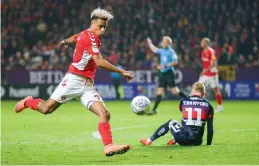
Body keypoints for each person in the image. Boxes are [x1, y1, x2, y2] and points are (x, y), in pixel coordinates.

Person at [13, 8, 133, 157]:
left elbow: (75, 37)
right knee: (46, 109)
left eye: (105, 27)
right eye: (100, 26)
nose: (102, 30)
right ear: (93, 23)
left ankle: (108, 146)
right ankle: (27, 102)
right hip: (73, 80)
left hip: (87, 85)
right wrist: (122, 72)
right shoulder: (91, 38)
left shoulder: (85, 34)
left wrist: (65, 41)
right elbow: (99, 62)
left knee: (105, 114)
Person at [140, 82, 214, 146]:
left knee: (171, 122)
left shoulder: (184, 101)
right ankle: (176, 140)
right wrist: (208, 144)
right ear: (204, 94)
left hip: (183, 138)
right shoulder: (209, 105)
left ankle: (149, 140)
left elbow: (183, 111)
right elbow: (210, 129)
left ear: (192, 91)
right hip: (198, 142)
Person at [147, 36, 185, 115]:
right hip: (162, 73)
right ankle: (154, 109)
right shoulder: (162, 50)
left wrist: (165, 66)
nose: (163, 43)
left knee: (174, 91)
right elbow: (155, 49)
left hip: (169, 73)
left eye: (165, 42)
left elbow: (175, 62)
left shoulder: (171, 52)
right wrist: (150, 44)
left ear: (168, 43)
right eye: (163, 42)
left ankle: (188, 100)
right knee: (159, 91)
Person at [199, 37, 223, 112]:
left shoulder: (211, 51)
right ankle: (200, 105)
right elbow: (205, 63)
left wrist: (204, 71)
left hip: (212, 73)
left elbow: (213, 64)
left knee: (215, 90)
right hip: (205, 73)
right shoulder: (203, 51)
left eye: (203, 42)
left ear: (207, 43)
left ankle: (220, 107)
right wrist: (204, 71)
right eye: (201, 42)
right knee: (198, 87)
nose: (201, 43)